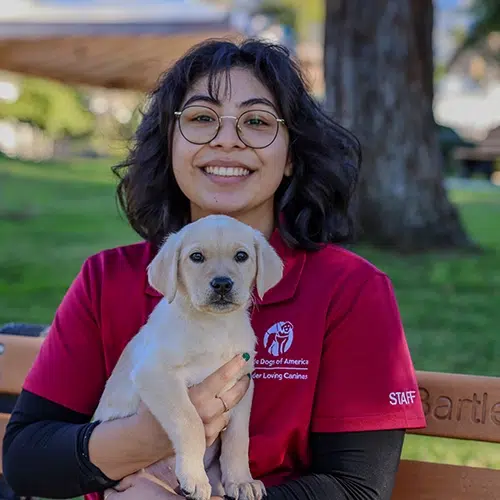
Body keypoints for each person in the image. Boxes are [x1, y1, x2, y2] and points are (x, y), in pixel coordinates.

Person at [2, 38, 426, 500]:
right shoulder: (108, 278)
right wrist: (146, 439)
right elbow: (27, 461)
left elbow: (358, 489)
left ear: (290, 157)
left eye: (257, 121)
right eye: (202, 118)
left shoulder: (351, 289)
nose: (227, 139)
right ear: (170, 145)